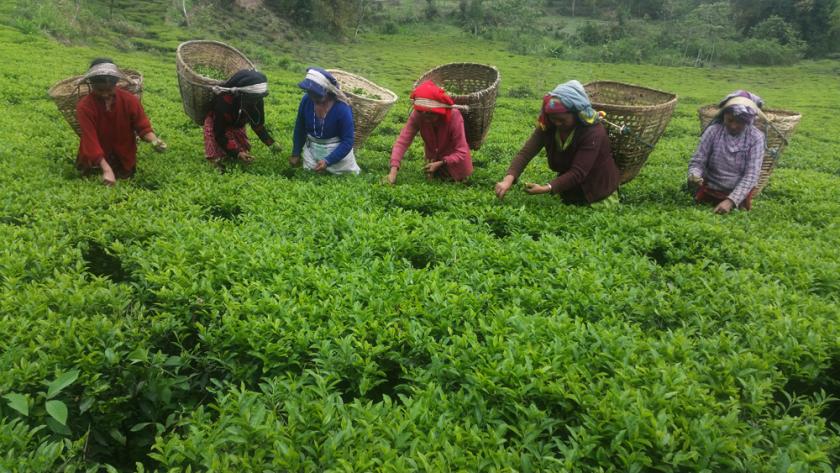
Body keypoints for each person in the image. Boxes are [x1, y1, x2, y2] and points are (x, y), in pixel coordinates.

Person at [495, 80, 619, 205]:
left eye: (562, 120)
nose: (557, 123)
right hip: (569, 187)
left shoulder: (593, 132)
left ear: (576, 114)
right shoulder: (548, 125)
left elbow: (578, 172)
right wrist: (508, 179)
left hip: (598, 189)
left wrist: (546, 188)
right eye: (553, 118)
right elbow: (525, 153)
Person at [76, 58, 167, 185]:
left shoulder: (129, 100)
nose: (105, 94)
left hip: (124, 158)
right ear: (91, 85)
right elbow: (90, 140)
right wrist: (107, 170)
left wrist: (155, 141)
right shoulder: (85, 106)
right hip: (94, 161)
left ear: (116, 84)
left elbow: (143, 127)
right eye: (100, 90)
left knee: (125, 181)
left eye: (109, 90)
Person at [688, 90, 765, 214]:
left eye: (740, 122)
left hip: (737, 191)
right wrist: (694, 175)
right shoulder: (713, 131)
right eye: (729, 120)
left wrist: (730, 201)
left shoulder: (756, 137)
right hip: (710, 186)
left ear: (748, 121)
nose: (733, 126)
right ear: (723, 116)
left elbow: (751, 175)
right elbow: (698, 161)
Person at [385, 80, 473, 184]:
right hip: (433, 170)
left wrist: (442, 162)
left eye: (430, 114)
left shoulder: (454, 116)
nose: (425, 117)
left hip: (458, 171)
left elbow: (462, 150)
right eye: (421, 112)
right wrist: (393, 171)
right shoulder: (418, 115)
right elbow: (402, 142)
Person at [204, 69, 281, 169]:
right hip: (218, 125)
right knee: (219, 159)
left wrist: (271, 144)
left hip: (237, 124)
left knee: (242, 154)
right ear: (242, 94)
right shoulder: (224, 102)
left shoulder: (257, 100)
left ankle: (233, 153)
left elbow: (257, 125)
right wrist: (237, 153)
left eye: (259, 98)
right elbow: (219, 133)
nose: (257, 101)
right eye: (254, 98)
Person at [289, 67, 359, 175]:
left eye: (315, 93)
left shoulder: (342, 108)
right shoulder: (306, 100)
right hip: (312, 152)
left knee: (343, 177)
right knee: (309, 175)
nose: (311, 96)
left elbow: (348, 141)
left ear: (327, 91)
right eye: (309, 92)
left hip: (338, 157)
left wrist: (328, 161)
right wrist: (296, 153)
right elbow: (300, 128)